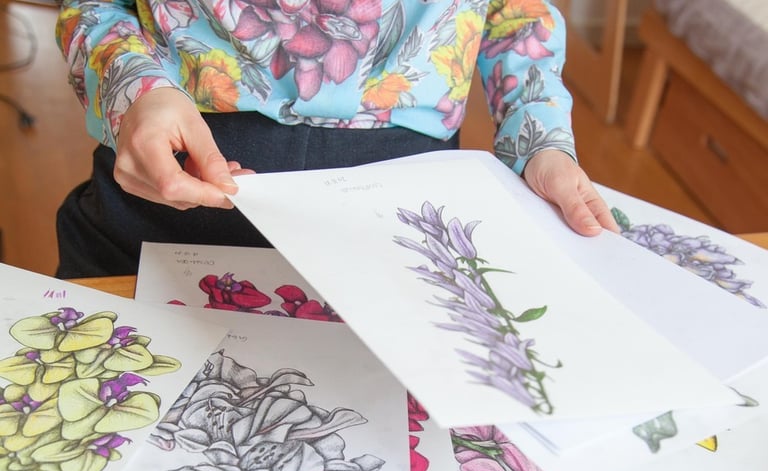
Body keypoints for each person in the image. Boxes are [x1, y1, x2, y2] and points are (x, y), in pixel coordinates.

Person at [54, 0, 618, 278]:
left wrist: (539, 141)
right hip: (176, 165)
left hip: (400, 200)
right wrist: (136, 90)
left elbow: (515, 10)